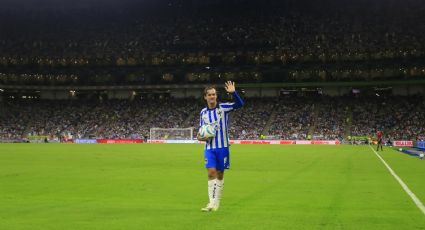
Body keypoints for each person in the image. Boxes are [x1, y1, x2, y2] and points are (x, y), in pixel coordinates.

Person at [197, 81, 244, 212]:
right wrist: (200, 137)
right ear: (205, 97)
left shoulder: (223, 108)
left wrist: (233, 93)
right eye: (210, 95)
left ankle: (217, 201)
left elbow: (240, 104)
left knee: (220, 174)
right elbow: (201, 130)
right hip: (209, 148)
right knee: (211, 172)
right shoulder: (203, 113)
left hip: (223, 147)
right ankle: (211, 203)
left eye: (214, 94)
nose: (212, 97)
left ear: (216, 96)